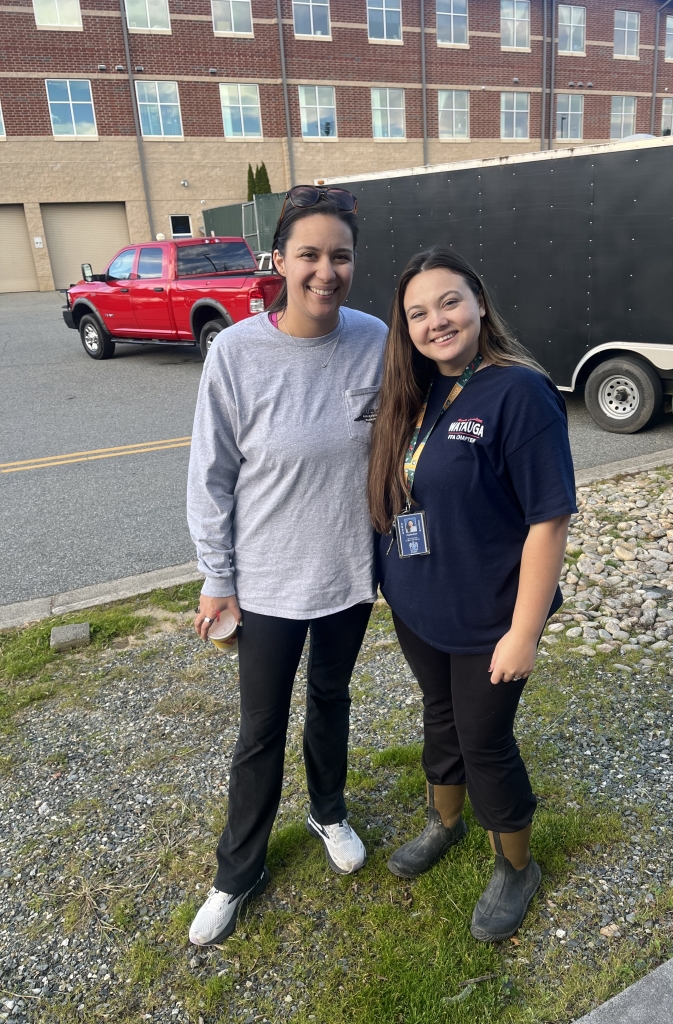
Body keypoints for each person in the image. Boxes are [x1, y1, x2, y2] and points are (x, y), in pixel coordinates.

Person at [186, 185, 387, 946]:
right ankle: (238, 872)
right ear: (279, 261)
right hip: (266, 584)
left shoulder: (375, 338)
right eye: (309, 254)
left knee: (331, 701)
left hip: (346, 575)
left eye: (339, 255)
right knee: (260, 729)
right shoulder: (237, 353)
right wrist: (218, 577)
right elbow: (211, 475)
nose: (325, 270)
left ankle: (327, 810)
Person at [368, 247, 577, 942]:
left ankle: (516, 866)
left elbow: (549, 519)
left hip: (491, 613)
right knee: (440, 716)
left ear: (479, 301)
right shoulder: (423, 386)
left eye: (449, 301)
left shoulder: (520, 392)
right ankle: (445, 822)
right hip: (421, 604)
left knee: (485, 739)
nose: (437, 321)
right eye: (418, 313)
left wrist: (523, 632)